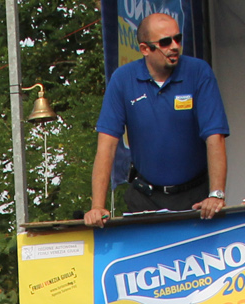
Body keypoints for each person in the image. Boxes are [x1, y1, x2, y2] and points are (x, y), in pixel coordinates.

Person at [85, 10, 230, 221]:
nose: (175, 46)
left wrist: (216, 194)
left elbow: (215, 136)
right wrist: (97, 206)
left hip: (195, 196)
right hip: (145, 197)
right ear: (145, 49)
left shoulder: (199, 72)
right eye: (165, 42)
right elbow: (106, 145)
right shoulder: (123, 79)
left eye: (178, 38)